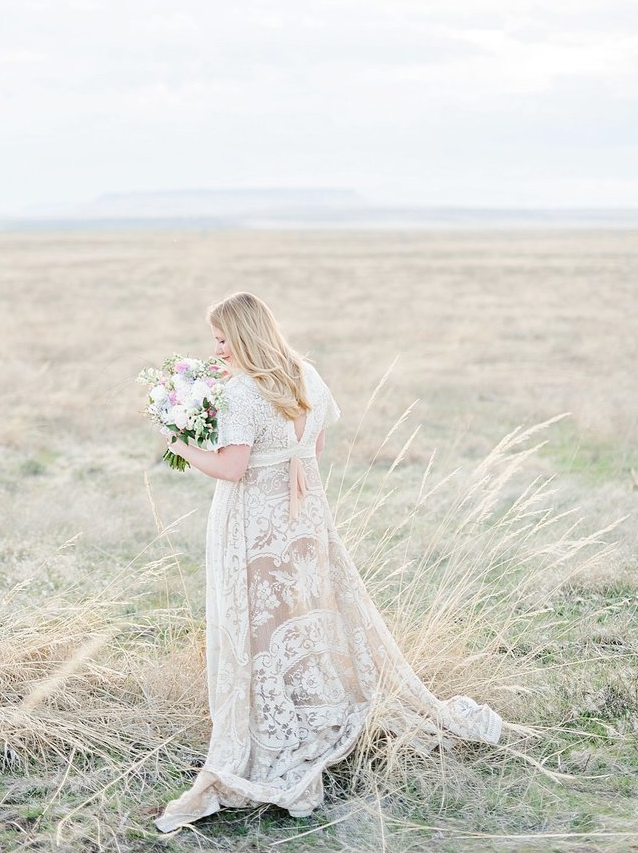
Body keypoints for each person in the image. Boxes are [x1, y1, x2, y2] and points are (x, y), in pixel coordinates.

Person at [153, 291, 503, 834]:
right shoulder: (304, 374)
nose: (216, 348)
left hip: (252, 526)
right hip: (304, 520)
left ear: (244, 335)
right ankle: (308, 702)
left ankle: (273, 727)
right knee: (304, 612)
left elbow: (233, 469)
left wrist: (178, 441)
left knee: (259, 625)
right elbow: (312, 452)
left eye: (221, 337)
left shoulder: (244, 393)